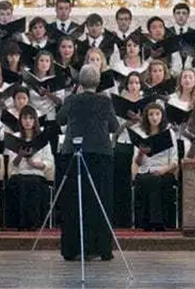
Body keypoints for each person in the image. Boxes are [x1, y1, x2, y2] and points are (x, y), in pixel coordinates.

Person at [56, 64, 120, 261]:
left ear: (79, 82)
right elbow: (114, 126)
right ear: (99, 82)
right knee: (99, 201)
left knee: (74, 202)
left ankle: (71, 248)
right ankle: (101, 248)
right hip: (100, 154)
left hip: (74, 153)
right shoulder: (104, 101)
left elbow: (60, 120)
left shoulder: (72, 99)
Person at [5, 105, 54, 229]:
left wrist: (35, 164)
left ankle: (34, 223)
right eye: (25, 118)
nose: (28, 121)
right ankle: (21, 223)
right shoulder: (15, 137)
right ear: (20, 120)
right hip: (19, 173)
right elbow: (12, 164)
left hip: (37, 174)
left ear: (35, 120)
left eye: (31, 118)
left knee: (33, 182)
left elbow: (49, 162)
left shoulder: (42, 139)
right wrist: (20, 155)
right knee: (22, 182)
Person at [132, 102, 178, 231]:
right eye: (151, 114)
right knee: (145, 179)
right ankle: (148, 222)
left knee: (156, 180)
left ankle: (156, 222)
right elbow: (138, 163)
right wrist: (141, 152)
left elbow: (174, 161)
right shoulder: (142, 134)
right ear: (146, 117)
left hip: (164, 170)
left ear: (162, 116)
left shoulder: (169, 133)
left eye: (157, 114)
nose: (154, 117)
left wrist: (163, 170)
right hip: (145, 170)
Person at [113, 71, 144, 227]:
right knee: (122, 182)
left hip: (141, 143)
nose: (134, 86)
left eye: (137, 83)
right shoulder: (120, 103)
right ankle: (122, 220)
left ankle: (139, 220)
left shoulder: (145, 102)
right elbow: (115, 131)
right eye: (131, 83)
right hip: (123, 142)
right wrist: (127, 123)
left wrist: (140, 120)